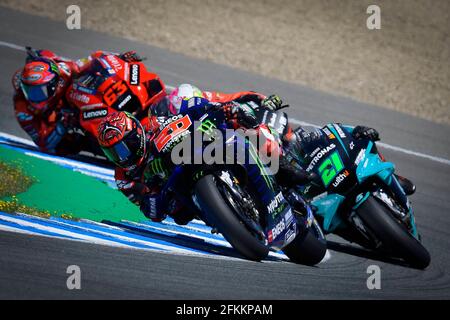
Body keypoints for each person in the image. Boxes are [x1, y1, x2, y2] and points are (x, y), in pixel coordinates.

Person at [12, 47, 145, 155]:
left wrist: (119, 58)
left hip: (76, 106)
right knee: (66, 146)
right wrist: (62, 124)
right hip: (63, 130)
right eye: (28, 90)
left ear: (53, 84)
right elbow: (44, 142)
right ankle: (112, 149)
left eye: (39, 91)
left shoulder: (62, 71)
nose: (34, 96)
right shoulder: (22, 107)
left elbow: (92, 58)